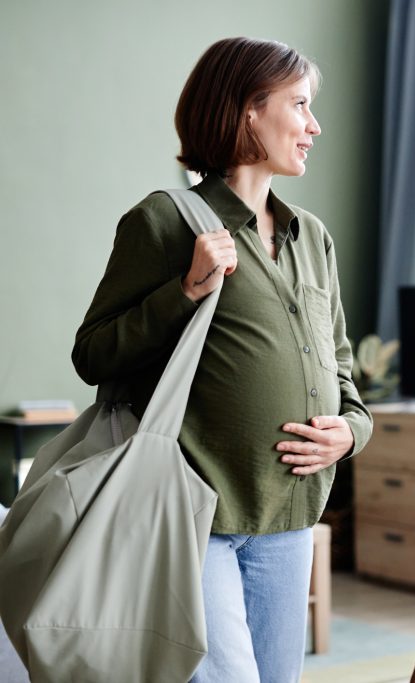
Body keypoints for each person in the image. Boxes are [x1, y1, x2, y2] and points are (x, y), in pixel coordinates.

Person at [72, 37, 372, 682]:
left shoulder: (311, 236)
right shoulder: (163, 221)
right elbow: (93, 354)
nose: (314, 125)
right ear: (247, 111)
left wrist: (351, 433)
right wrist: (184, 291)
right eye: (299, 105)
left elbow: (342, 368)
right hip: (193, 512)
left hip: (289, 513)